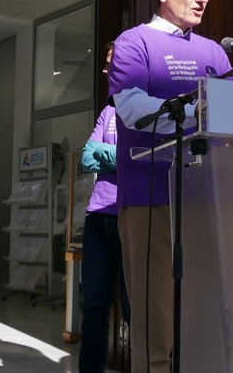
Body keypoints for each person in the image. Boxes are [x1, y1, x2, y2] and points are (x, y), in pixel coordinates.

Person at [107, 0, 233, 373]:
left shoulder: (216, 52)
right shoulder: (134, 41)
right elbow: (132, 110)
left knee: (202, 305)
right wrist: (199, 112)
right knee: (153, 309)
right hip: (150, 195)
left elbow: (232, 118)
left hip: (204, 196)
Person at [78, 43, 131, 373]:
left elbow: (144, 158)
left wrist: (109, 155)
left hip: (131, 215)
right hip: (98, 217)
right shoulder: (108, 112)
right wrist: (121, 157)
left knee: (134, 308)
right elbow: (86, 158)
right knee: (94, 309)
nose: (105, 71)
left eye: (112, 64)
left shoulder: (148, 110)